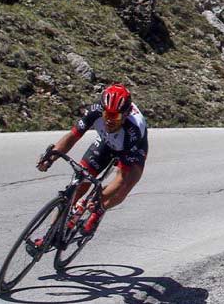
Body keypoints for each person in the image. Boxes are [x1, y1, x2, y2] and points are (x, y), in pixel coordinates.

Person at [36, 84, 148, 236]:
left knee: (124, 189)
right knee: (79, 184)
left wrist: (97, 200)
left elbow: (121, 178)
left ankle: (99, 210)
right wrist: (52, 156)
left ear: (125, 115)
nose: (109, 121)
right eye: (107, 115)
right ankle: (50, 234)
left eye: (115, 117)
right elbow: (73, 136)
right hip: (106, 142)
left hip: (132, 148)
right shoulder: (95, 111)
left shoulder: (133, 131)